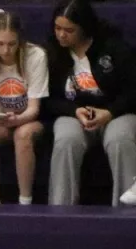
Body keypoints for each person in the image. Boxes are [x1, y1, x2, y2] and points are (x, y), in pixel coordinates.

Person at [45, 0, 136, 207]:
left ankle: (128, 211)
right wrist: (74, 110)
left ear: (84, 28)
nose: (61, 35)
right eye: (57, 28)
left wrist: (110, 112)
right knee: (66, 140)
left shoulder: (113, 48)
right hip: (74, 113)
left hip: (116, 113)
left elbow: (133, 91)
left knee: (120, 139)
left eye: (69, 30)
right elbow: (47, 99)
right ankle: (60, 210)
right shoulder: (52, 52)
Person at [0, 10, 48, 205]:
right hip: (3, 120)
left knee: (22, 135)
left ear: (20, 41)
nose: (6, 50)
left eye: (11, 44)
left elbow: (34, 109)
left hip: (31, 120)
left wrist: (17, 119)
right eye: (0, 44)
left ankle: (25, 202)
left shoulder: (36, 56)